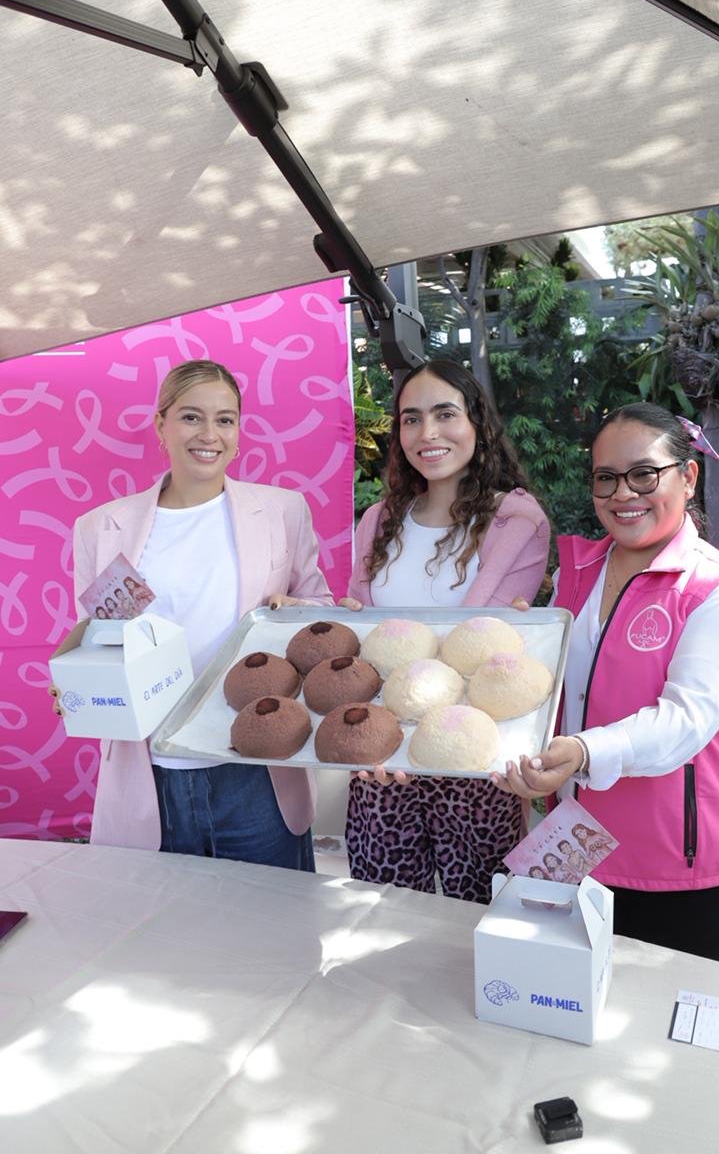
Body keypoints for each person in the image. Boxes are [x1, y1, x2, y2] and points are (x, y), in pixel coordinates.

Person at [494, 402, 719, 965]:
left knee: (670, 1039)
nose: (624, 493)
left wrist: (582, 750)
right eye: (606, 478)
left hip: (688, 865)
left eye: (645, 473)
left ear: (688, 477)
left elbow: (683, 723)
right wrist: (521, 650)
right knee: (571, 1021)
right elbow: (558, 695)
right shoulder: (576, 574)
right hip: (579, 852)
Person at [51, 359, 332, 868]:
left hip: (255, 764)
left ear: (239, 431)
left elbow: (320, 612)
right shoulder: (101, 527)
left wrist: (297, 612)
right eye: (190, 417)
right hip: (150, 769)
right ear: (160, 424)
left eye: (225, 419)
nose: (210, 434)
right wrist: (74, 683)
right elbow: (96, 637)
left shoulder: (282, 511)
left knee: (271, 938)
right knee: (163, 940)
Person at [341, 359, 549, 902]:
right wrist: (380, 742)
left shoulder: (516, 520)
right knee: (380, 907)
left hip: (474, 757)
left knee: (478, 912)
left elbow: (490, 652)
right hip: (382, 758)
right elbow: (361, 633)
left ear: (477, 423)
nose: (426, 433)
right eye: (411, 418)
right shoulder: (378, 521)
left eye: (445, 414)